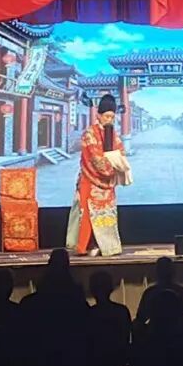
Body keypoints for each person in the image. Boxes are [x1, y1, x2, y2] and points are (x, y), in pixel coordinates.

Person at [66, 94, 129, 257]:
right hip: (90, 180)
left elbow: (120, 151)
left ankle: (106, 246)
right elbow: (94, 158)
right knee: (88, 214)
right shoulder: (89, 134)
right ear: (98, 115)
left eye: (112, 117)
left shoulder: (113, 134)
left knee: (106, 214)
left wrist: (119, 162)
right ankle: (85, 246)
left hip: (107, 183)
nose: (109, 120)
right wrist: (111, 167)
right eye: (107, 116)